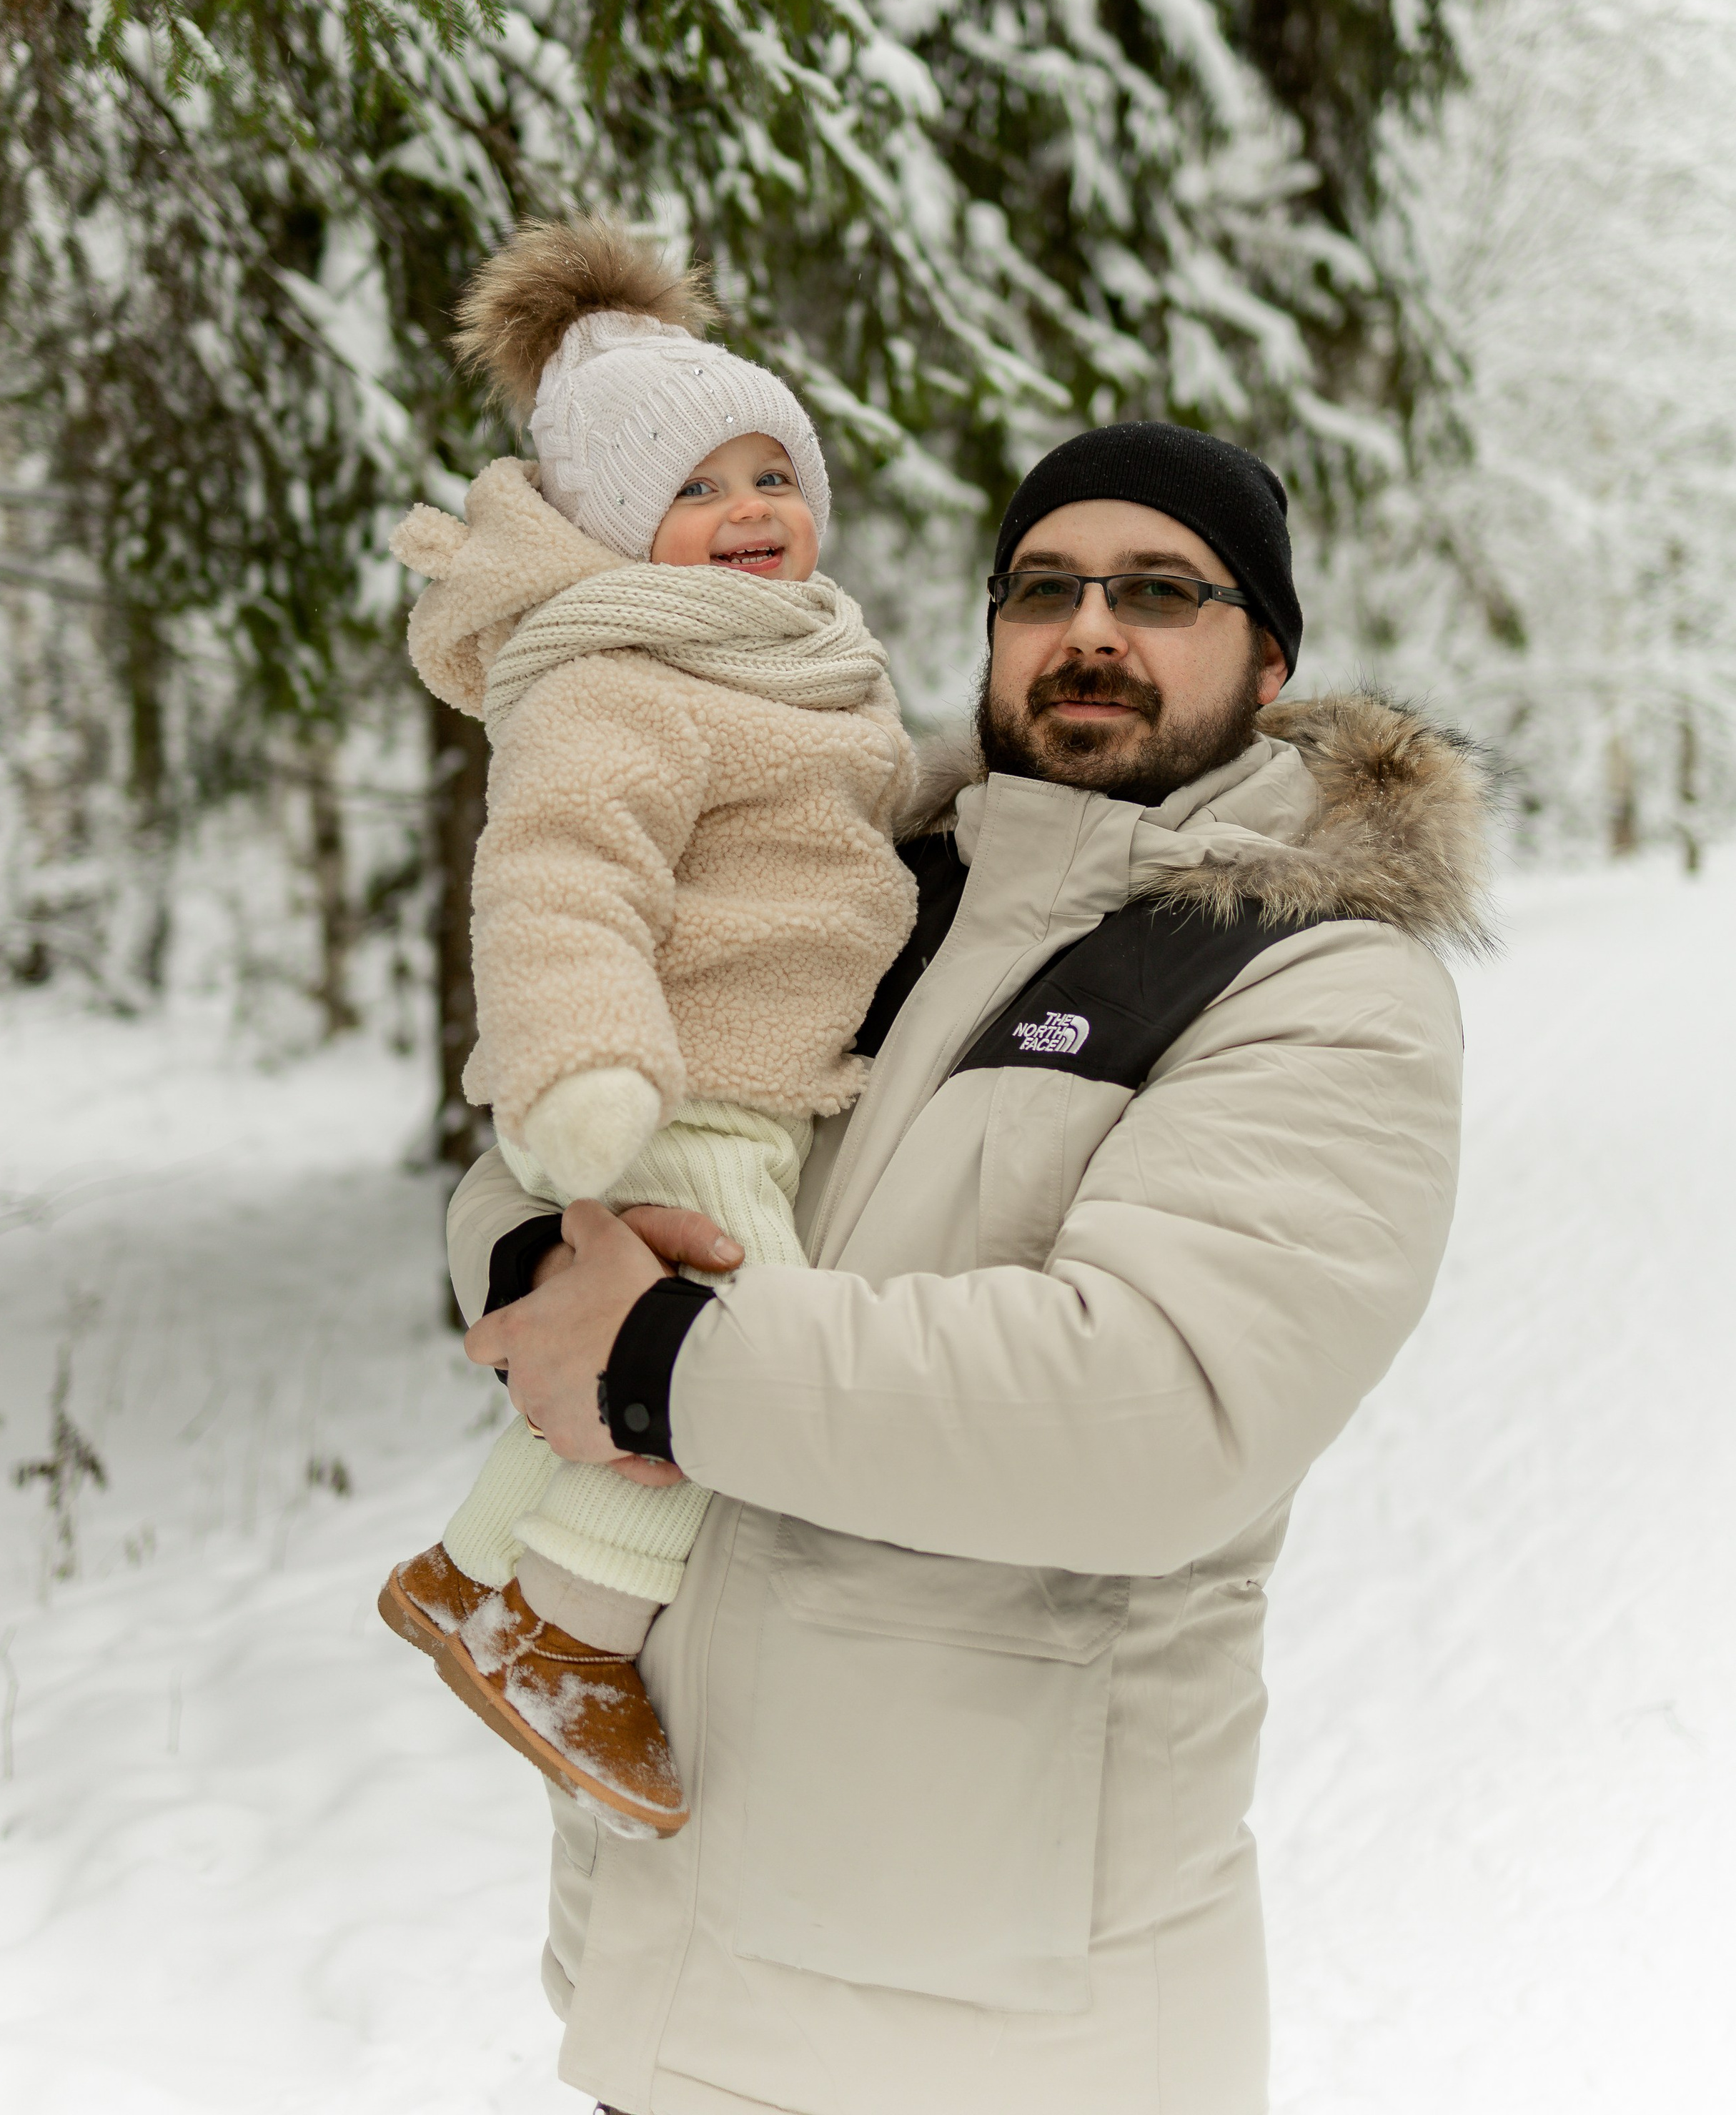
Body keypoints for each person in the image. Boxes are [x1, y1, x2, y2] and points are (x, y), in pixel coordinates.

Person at [446, 416, 1493, 2115]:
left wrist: (654, 1360)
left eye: (1160, 590)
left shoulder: (1313, 987)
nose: (1091, 629)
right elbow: (564, 1147)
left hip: (997, 2035)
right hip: (672, 1955)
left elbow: (1150, 1414)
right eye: (1042, 587)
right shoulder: (856, 891)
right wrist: (530, 1255)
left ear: (1270, 654)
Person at [377, 220, 916, 1837]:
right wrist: (578, 1067)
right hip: (684, 1092)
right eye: (694, 491)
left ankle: (463, 1574)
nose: (749, 511)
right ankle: (562, 1633)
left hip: (770, 1083)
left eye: (769, 473)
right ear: (616, 529)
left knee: (652, 1359)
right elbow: (559, 878)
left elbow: (865, 818)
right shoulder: (621, 679)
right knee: (707, 1380)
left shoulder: (803, 659)